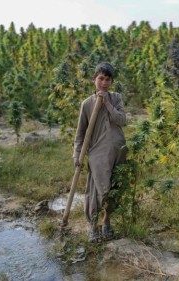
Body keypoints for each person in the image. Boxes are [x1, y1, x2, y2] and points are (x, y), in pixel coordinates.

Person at [73, 62, 127, 242]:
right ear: (94, 79)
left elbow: (122, 120)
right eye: (101, 78)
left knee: (114, 188)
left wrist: (107, 104)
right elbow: (80, 133)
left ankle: (106, 222)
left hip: (118, 150)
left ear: (111, 82)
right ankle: (92, 226)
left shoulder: (116, 98)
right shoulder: (86, 104)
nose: (104, 83)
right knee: (96, 190)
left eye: (108, 79)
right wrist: (77, 155)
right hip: (97, 153)